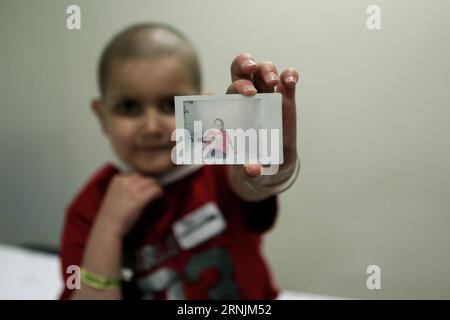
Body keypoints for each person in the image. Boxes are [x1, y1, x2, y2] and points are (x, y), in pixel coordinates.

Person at [60, 22, 300, 300]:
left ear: (201, 108)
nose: (151, 127)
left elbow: (255, 184)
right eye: (129, 107)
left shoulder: (222, 171)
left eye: (169, 105)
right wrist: (109, 230)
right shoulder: (91, 207)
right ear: (102, 116)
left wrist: (271, 168)